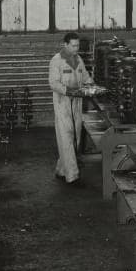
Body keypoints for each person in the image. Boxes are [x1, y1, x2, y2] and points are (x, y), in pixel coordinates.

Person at [48, 32, 92, 184]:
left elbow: (85, 76)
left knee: (75, 138)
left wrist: (92, 85)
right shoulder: (56, 61)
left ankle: (61, 170)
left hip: (77, 103)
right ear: (65, 45)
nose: (76, 48)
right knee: (66, 138)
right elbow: (53, 83)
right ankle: (72, 177)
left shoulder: (78, 59)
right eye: (73, 46)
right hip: (63, 103)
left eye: (77, 45)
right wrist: (68, 91)